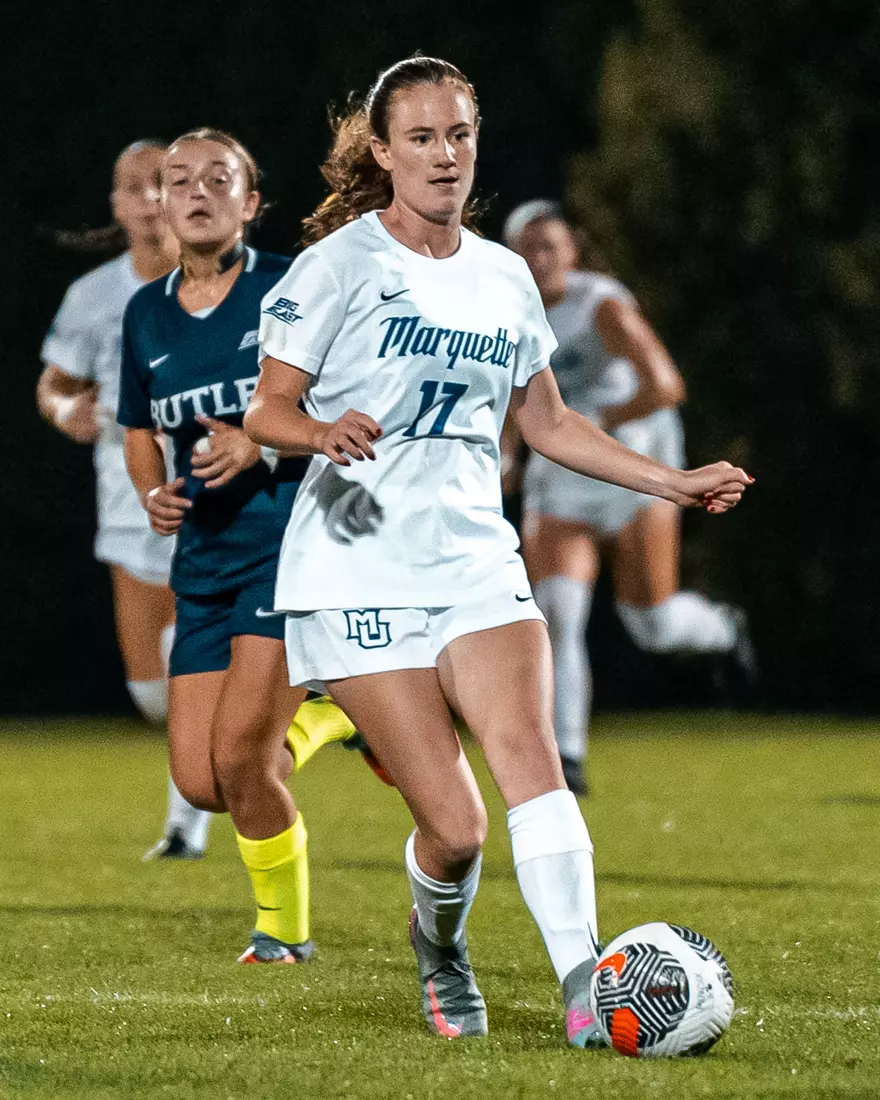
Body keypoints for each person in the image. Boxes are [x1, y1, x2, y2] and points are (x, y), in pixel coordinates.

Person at [244, 55, 752, 1043]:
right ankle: (440, 946)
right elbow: (267, 407)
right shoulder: (338, 266)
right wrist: (320, 430)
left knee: (533, 764)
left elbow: (551, 423)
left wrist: (671, 481)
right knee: (458, 827)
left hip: (475, 556)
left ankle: (582, 983)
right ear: (384, 153)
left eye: (459, 134)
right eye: (422, 137)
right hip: (355, 564)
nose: (444, 155)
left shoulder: (505, 275)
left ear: (477, 143)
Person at [117, 128, 366, 963]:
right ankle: (332, 716)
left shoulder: (287, 290)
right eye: (176, 180)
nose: (192, 193)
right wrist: (150, 488)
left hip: (284, 548)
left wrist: (261, 442)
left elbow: (337, 405)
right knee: (201, 783)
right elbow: (135, 426)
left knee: (240, 761)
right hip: (205, 562)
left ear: (251, 204)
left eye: (216, 180)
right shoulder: (144, 312)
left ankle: (283, 932)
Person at [502, 202, 756, 795]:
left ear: (573, 250)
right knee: (558, 615)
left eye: (550, 246)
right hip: (562, 478)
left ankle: (723, 628)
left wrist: (593, 417)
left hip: (632, 473)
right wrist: (511, 454)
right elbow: (519, 395)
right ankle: (566, 757)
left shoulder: (601, 304)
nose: (539, 259)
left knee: (651, 624)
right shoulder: (507, 313)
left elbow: (665, 385)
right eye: (527, 247)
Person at [37, 140, 212, 860]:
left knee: (191, 652)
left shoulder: (225, 285)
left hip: (213, 500)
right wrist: (61, 412)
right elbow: (52, 383)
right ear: (115, 205)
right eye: (132, 188)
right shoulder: (93, 296)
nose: (148, 201)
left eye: (160, 186)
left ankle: (185, 824)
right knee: (152, 691)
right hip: (126, 501)